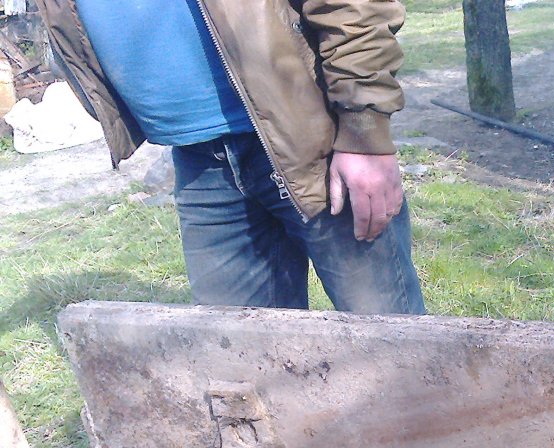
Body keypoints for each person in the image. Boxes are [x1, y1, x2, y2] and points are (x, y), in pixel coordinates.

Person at [40, 0, 423, 316]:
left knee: (392, 351)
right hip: (198, 161)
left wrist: (363, 130)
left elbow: (353, 6)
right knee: (241, 366)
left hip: (308, 143)